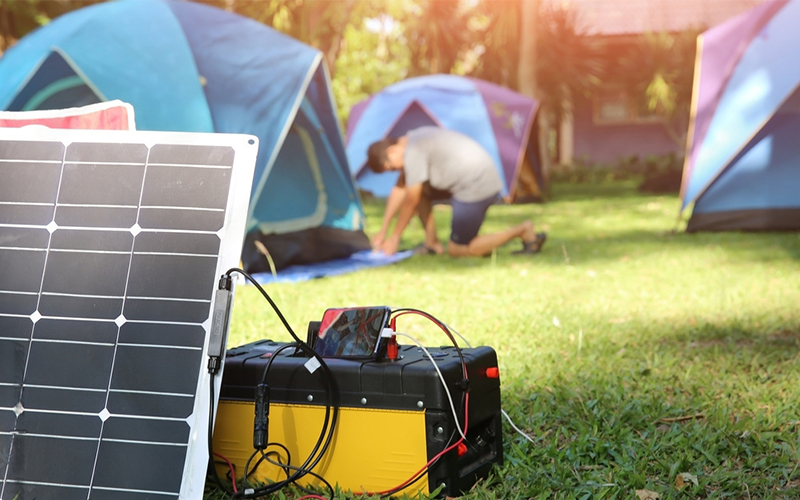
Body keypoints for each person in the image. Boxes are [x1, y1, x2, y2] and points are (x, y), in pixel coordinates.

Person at [366, 126, 546, 257]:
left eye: (390, 167)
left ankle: (523, 230)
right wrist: (383, 230)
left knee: (458, 250)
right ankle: (432, 243)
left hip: (476, 185)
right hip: (473, 179)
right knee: (419, 191)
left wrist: (395, 237)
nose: (395, 170)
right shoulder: (413, 138)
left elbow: (411, 201)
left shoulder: (414, 151)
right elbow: (400, 189)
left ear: (391, 151)